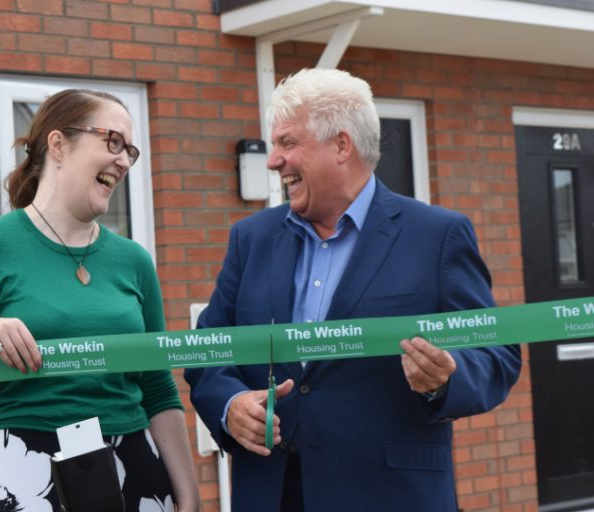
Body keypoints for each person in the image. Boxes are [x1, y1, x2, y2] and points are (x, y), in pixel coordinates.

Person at [185, 68, 522, 511]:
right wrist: (229, 405)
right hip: (271, 493)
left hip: (389, 495)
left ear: (341, 145)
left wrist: (447, 376)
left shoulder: (437, 235)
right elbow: (208, 347)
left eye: (288, 143)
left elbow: (496, 354)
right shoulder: (251, 239)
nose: (273, 161)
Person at [0, 89, 199, 512]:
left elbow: (158, 388)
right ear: (58, 144)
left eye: (130, 150)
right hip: (18, 472)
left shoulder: (134, 260)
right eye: (112, 142)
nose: (124, 160)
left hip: (132, 465)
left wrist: (189, 495)